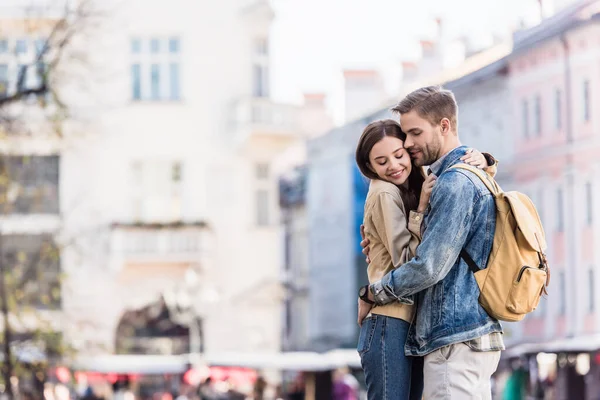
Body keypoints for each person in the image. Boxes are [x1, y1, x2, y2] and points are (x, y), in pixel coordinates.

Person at [360, 85, 504, 399]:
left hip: (455, 338)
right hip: (464, 335)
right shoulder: (451, 178)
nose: (408, 145)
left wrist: (373, 292)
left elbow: (427, 267)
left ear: (444, 126)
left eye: (413, 135)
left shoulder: (452, 182)